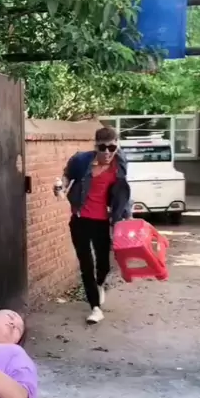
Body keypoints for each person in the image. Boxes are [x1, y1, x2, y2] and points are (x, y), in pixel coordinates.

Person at [59, 125, 131, 324]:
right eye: (103, 148)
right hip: (80, 219)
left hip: (103, 221)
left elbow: (123, 190)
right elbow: (67, 175)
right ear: (95, 146)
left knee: (104, 264)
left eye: (112, 148)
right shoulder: (81, 161)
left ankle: (99, 285)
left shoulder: (120, 162)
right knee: (86, 265)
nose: (107, 152)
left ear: (117, 146)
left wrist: (125, 215)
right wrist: (61, 187)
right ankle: (95, 308)